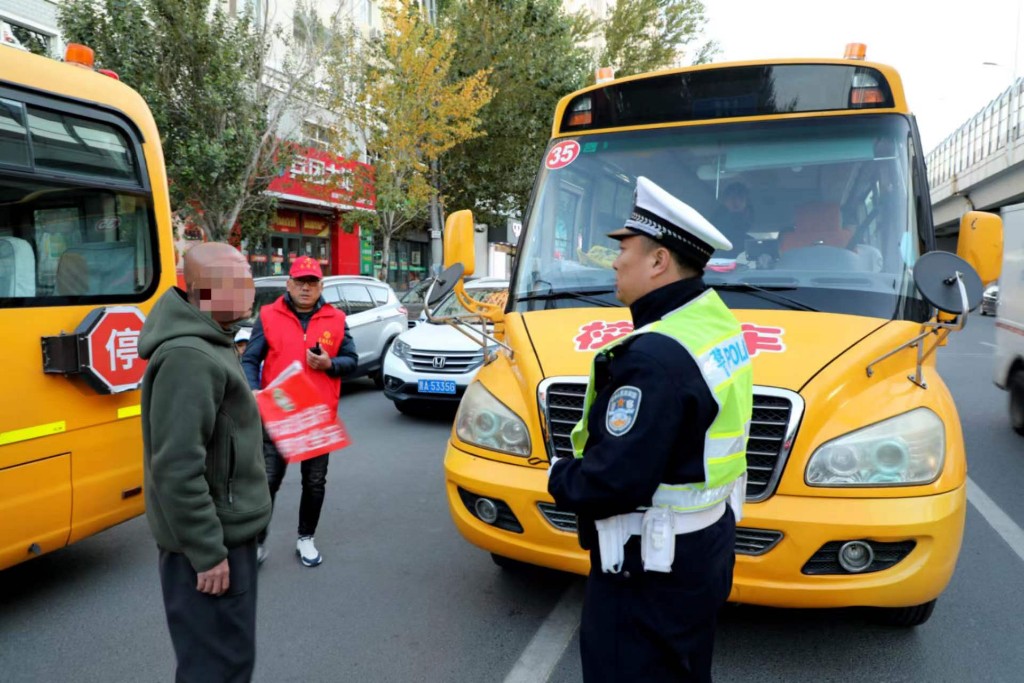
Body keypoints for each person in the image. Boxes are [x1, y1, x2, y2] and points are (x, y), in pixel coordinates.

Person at [548, 176, 754, 682]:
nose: (615, 261)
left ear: (659, 261)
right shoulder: (713, 322)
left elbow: (612, 481)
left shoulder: (652, 358)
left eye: (626, 249)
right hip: (702, 549)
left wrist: (560, 474)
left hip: (647, 571)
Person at [139, 242, 272, 682]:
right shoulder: (188, 356)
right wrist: (207, 552)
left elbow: (213, 432)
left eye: (247, 280)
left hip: (225, 533)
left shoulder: (212, 339)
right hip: (212, 541)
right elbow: (176, 466)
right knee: (216, 667)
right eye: (235, 283)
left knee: (227, 658)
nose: (249, 292)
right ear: (199, 291)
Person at [241, 256, 357, 567]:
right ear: (289, 284)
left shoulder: (335, 319)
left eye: (312, 283)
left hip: (317, 414)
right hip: (277, 412)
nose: (306, 288)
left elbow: (352, 360)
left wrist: (329, 364)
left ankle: (306, 539)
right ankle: (257, 541)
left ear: (321, 286)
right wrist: (253, 388)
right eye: (300, 282)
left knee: (314, 482)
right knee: (267, 480)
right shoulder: (267, 316)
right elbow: (249, 360)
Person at [711, 182, 754, 257]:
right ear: (724, 202)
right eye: (732, 198)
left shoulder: (750, 243)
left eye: (740, 198)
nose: (736, 201)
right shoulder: (711, 236)